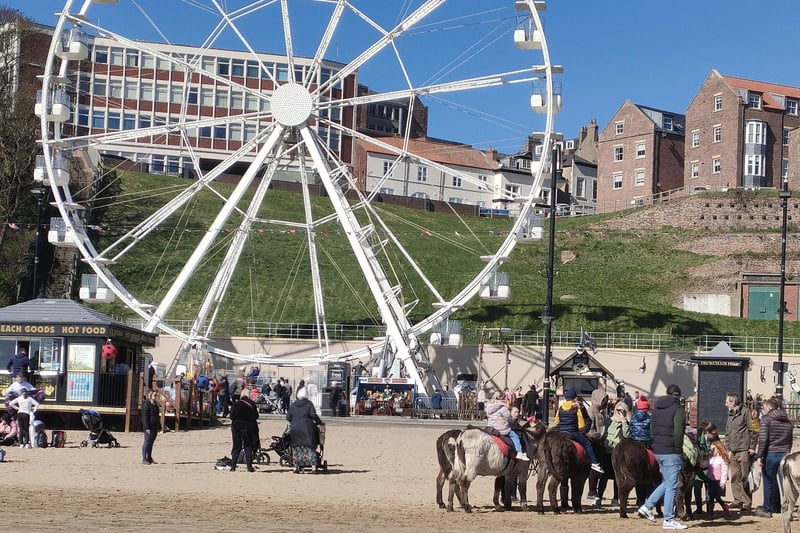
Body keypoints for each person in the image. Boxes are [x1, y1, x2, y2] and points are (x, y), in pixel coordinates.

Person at [637, 384, 688, 530]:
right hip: (671, 450)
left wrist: (656, 444)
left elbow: (652, 430)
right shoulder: (678, 409)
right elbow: (678, 432)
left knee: (668, 482)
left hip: (658, 450)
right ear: (678, 395)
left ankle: (647, 506)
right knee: (672, 485)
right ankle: (668, 519)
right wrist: (678, 450)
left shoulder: (657, 409)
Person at [754, 396, 792, 518]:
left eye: (764, 408)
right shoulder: (787, 420)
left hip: (770, 453)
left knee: (769, 482)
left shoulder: (766, 419)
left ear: (769, 407)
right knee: (785, 483)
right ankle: (786, 509)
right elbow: (790, 440)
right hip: (785, 454)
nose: (763, 410)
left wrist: (759, 456)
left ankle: (767, 509)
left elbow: (763, 440)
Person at [554, 390, 603, 473]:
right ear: (574, 398)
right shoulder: (577, 409)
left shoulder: (560, 408)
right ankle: (594, 463)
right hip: (572, 433)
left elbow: (556, 421)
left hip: (561, 433)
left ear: (565, 398)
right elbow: (581, 425)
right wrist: (582, 428)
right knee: (587, 444)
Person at [724, 392, 757, 512]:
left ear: (733, 402)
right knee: (735, 477)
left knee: (745, 477)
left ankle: (747, 502)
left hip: (744, 450)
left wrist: (752, 447)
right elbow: (728, 432)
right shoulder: (730, 414)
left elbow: (753, 430)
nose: (725, 403)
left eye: (727, 401)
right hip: (733, 450)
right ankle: (737, 500)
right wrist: (727, 447)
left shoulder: (745, 412)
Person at [287, 387, 325, 474]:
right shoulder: (309, 404)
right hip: (307, 428)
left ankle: (296, 466)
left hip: (295, 428)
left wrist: (294, 421)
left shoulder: (294, 404)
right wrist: (319, 422)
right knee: (310, 447)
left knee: (297, 447)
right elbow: (313, 415)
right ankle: (313, 466)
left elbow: (288, 417)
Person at [485, 391, 529, 461]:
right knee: (515, 436)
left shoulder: (489, 407)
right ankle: (519, 452)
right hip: (501, 429)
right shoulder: (502, 407)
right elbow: (508, 417)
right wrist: (512, 421)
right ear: (502, 397)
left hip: (491, 428)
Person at [229, 388, 260, 472]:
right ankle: (249, 467)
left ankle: (233, 466)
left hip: (237, 426)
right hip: (248, 426)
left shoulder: (236, 404)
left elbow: (232, 416)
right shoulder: (252, 404)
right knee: (248, 446)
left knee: (236, 446)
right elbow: (256, 416)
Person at [706, 439, 731, 517]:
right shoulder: (711, 459)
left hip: (718, 481)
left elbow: (724, 472)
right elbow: (705, 464)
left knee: (717, 497)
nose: (712, 450)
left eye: (714, 449)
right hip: (710, 480)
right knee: (710, 496)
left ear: (719, 449)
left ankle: (724, 506)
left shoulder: (722, 460)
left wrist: (722, 483)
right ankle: (710, 511)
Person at [141, 390, 160, 464]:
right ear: (150, 396)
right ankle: (144, 458)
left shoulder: (155, 404)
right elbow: (145, 417)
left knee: (151, 443)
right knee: (147, 442)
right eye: (155, 395)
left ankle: (149, 458)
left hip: (155, 426)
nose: (156, 397)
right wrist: (146, 428)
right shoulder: (146, 404)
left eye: (156, 395)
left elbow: (157, 416)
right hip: (149, 426)